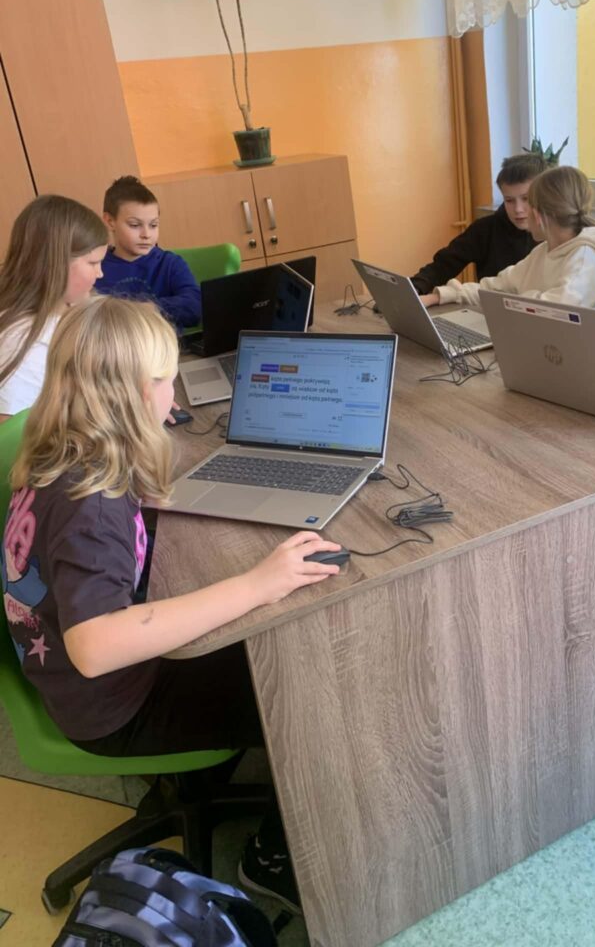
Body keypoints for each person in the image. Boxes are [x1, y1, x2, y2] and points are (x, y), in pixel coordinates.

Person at [2, 295, 342, 911]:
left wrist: (145, 502)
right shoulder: (91, 505)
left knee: (258, 635)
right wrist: (258, 583)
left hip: (62, 671)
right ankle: (270, 859)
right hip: (111, 704)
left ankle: (195, 780)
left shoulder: (62, 451)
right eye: (167, 378)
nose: (174, 391)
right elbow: (96, 646)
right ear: (137, 393)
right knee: (306, 686)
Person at [419, 166, 595, 310]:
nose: (520, 210)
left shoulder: (584, 258)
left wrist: (512, 299)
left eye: (527, 202)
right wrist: (440, 296)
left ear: (538, 215)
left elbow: (554, 312)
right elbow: (498, 287)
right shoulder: (544, 250)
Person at [0, 195, 107, 423]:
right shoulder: (21, 343)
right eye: (93, 263)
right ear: (55, 264)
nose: (100, 273)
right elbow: (12, 433)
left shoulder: (71, 304)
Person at [409, 153, 549, 294]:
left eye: (526, 199)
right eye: (509, 200)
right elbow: (443, 265)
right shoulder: (484, 229)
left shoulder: (555, 233)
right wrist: (414, 289)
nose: (518, 209)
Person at [97, 175, 201, 331]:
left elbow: (195, 306)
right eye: (134, 225)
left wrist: (149, 309)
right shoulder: (96, 267)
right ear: (110, 221)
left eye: (153, 225)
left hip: (165, 345)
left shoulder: (170, 264)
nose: (146, 234)